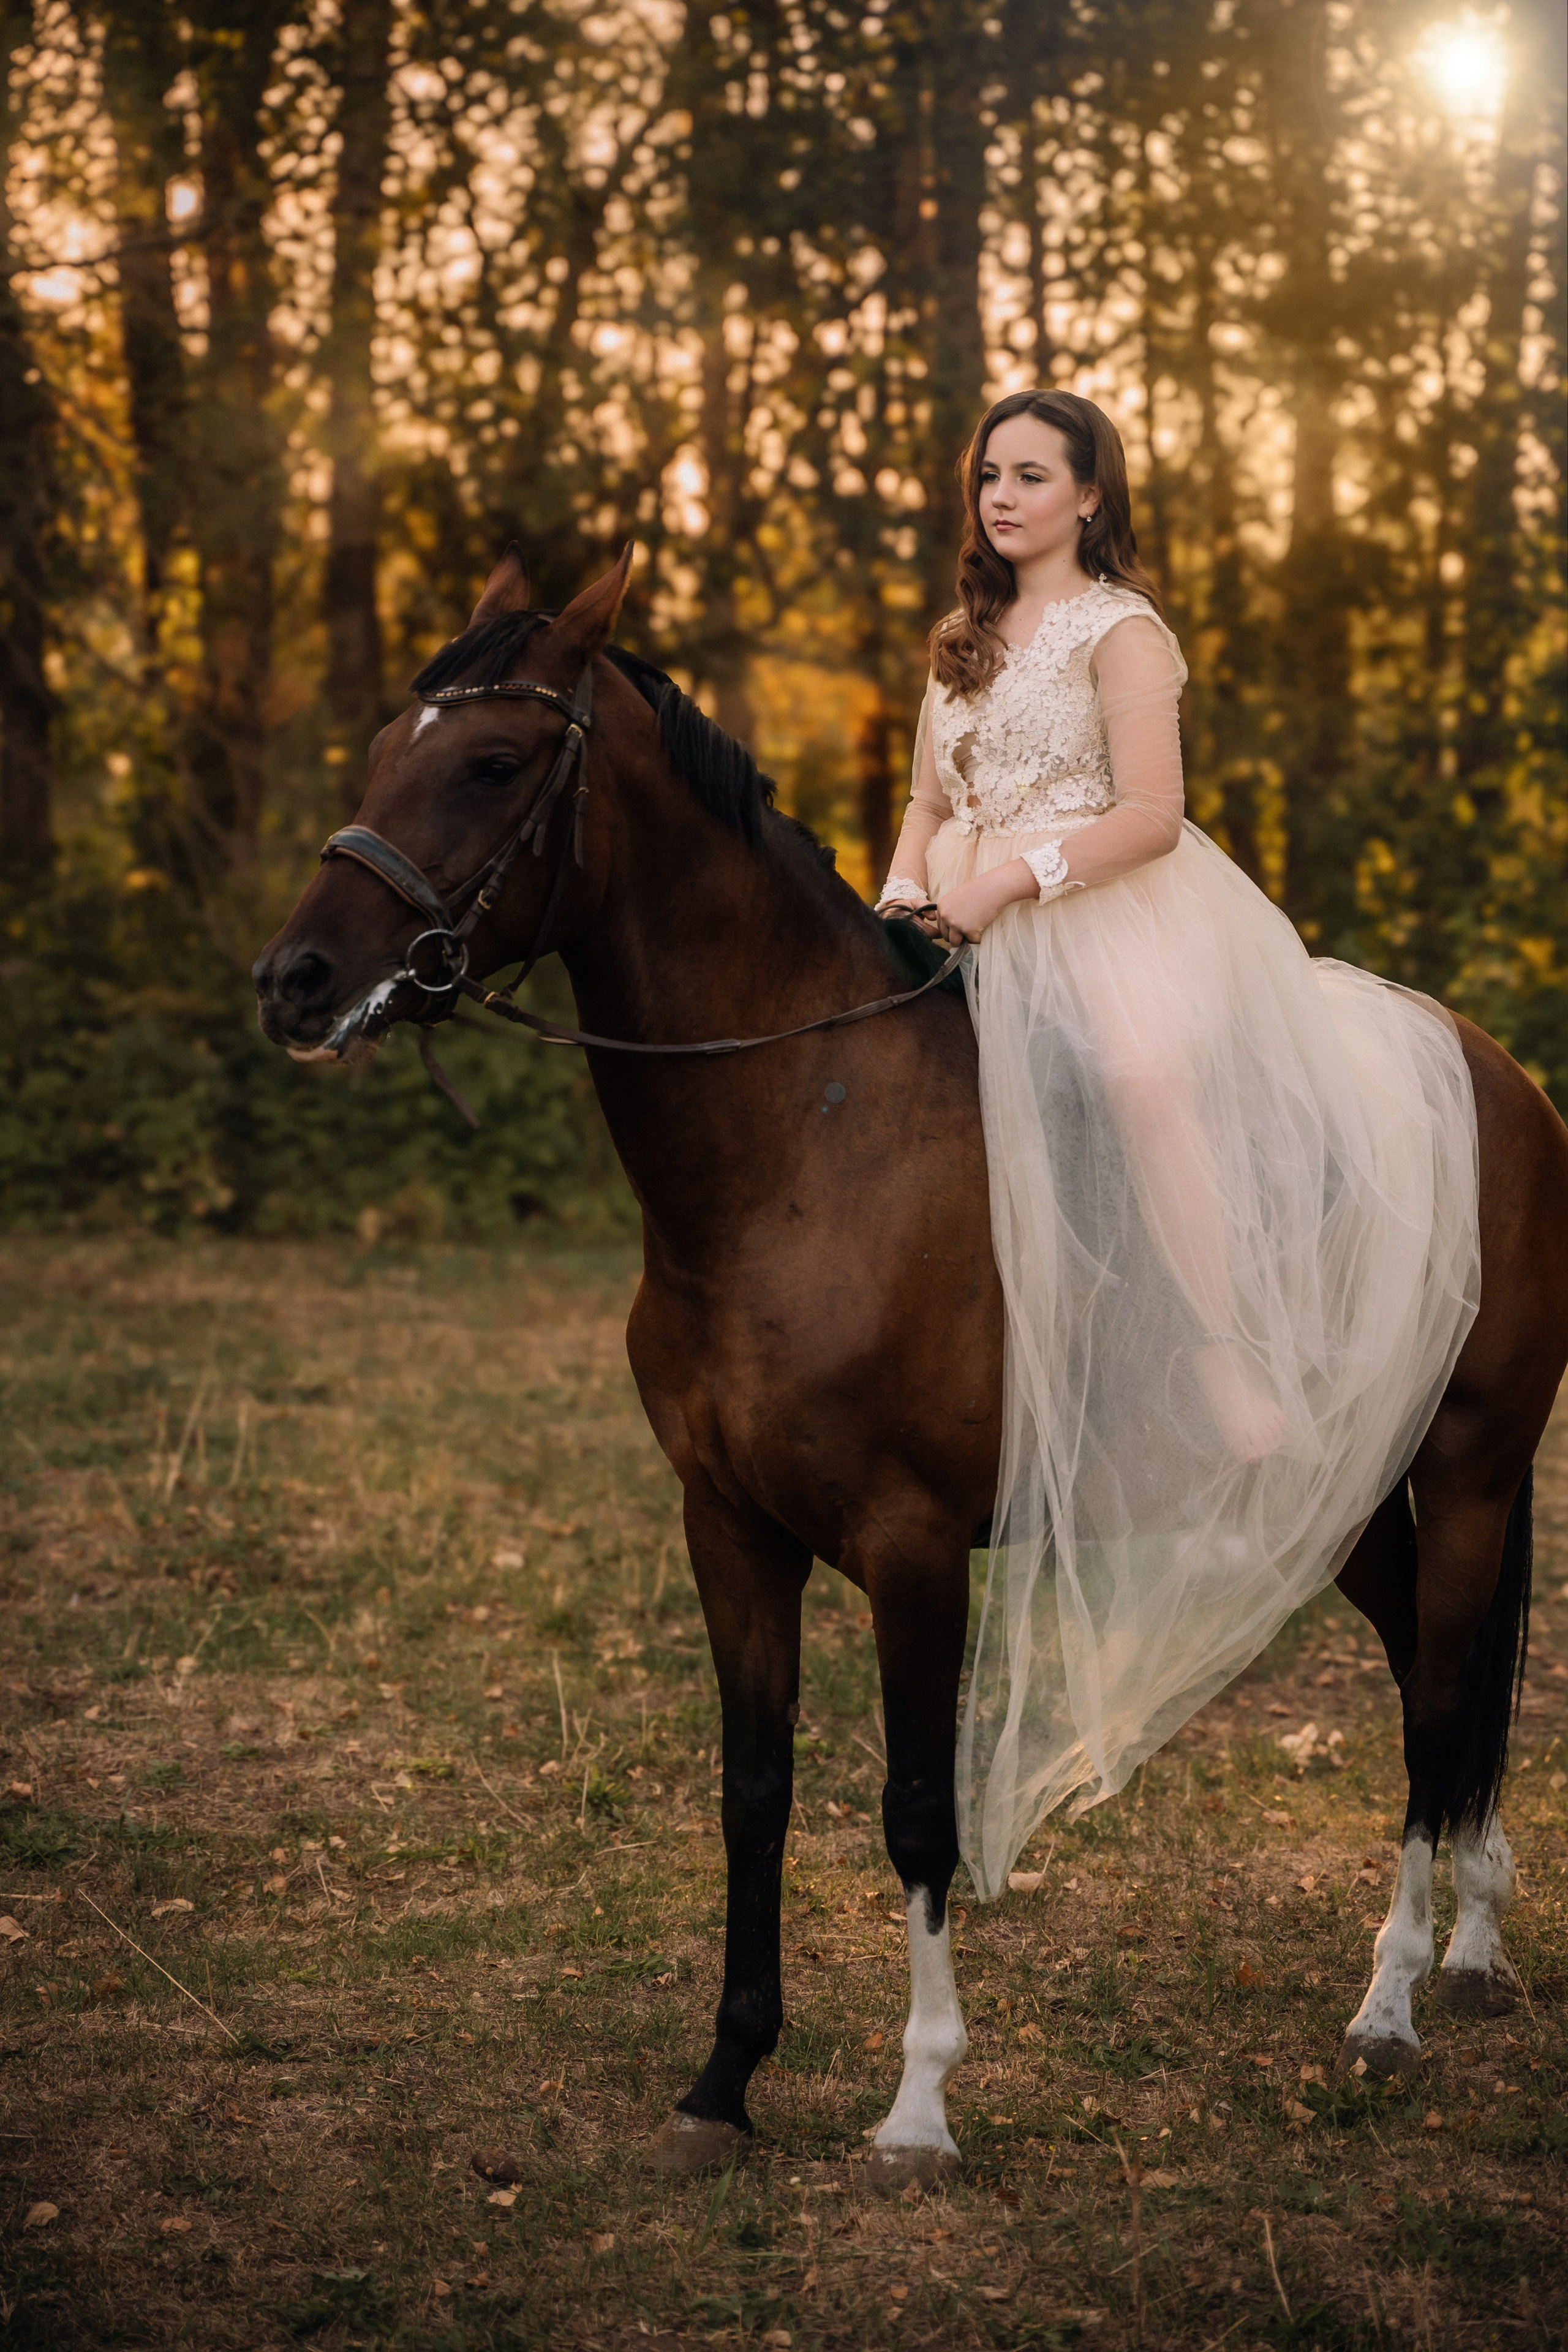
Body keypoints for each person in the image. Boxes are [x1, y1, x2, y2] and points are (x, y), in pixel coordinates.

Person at [877, 390, 1482, 1900]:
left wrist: (1016, 878)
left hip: (1104, 920)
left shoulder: (1116, 632)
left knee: (1143, 1077)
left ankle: (1217, 1345)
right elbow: (918, 800)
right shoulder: (954, 644)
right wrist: (897, 900)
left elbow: (1152, 812)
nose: (999, 496)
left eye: (1029, 475)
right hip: (960, 917)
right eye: (986, 475)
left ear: (1087, 496)